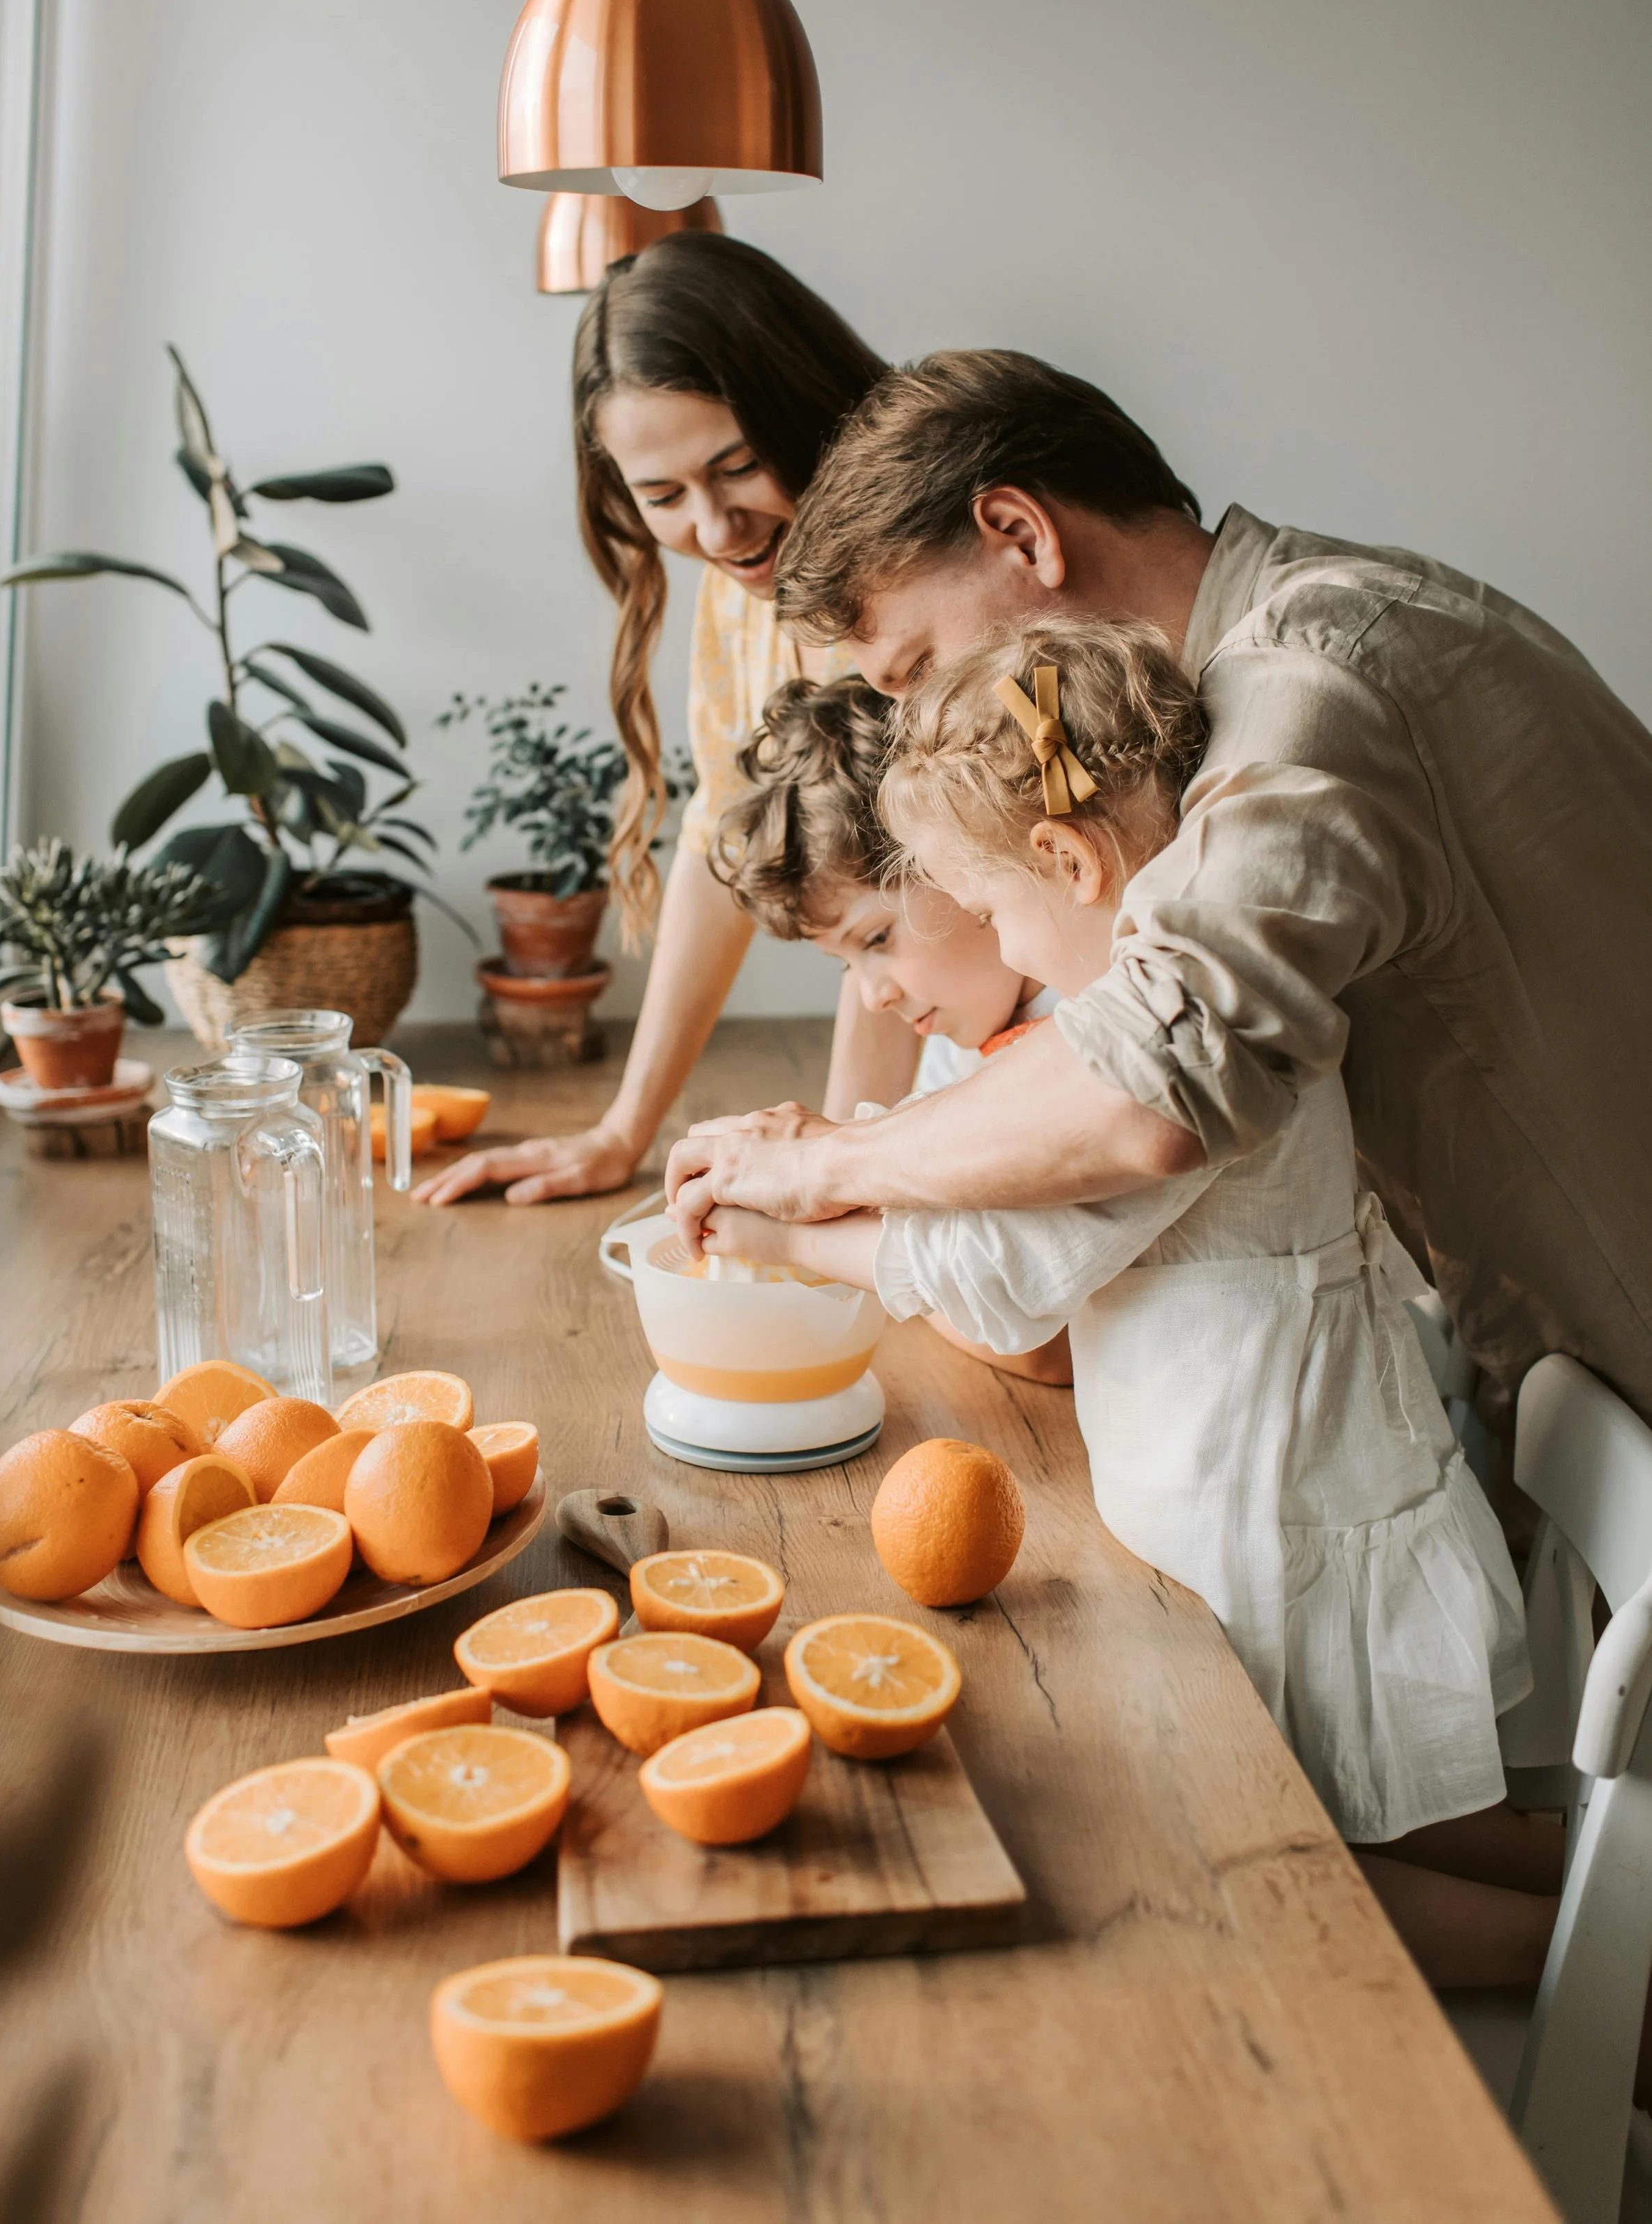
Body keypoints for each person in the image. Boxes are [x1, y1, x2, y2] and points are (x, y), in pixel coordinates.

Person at [701, 618, 1558, 1984]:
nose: (914, 972)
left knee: (1256, 1857)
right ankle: (1601, 1950)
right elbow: (980, 1210)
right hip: (1255, 1483)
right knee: (1390, 1825)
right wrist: (825, 1174)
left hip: (1270, 1507)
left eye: (966, 914)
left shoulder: (1140, 1049)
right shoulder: (1087, 1003)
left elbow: (1000, 1280)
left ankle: (1606, 2010)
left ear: (1059, 863)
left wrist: (782, 1229)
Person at [666, 347, 1652, 1428]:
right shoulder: (1253, 673)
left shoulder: (1313, 680)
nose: (918, 726)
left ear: (1021, 534)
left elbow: (1151, 1083)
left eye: (916, 670)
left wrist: (826, 1163)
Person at [414, 234, 919, 1210]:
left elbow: (908, 887)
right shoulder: (747, 581)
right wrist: (622, 1130)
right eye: (662, 497)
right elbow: (723, 833)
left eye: (737, 466)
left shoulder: (913, 564)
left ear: (801, 401)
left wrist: (843, 1172)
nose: (718, 529)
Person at [709, 669, 1069, 1383]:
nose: (873, 998)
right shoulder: (959, 1038)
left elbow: (1040, 1345)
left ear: (962, 856)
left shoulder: (1089, 1013)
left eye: (874, 940)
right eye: (846, 966)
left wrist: (799, 1239)